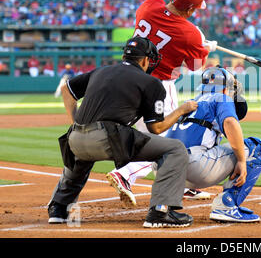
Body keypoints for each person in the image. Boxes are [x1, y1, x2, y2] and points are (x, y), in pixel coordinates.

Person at [47, 36, 197, 228]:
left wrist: (76, 123)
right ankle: (160, 211)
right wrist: (181, 110)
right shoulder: (152, 83)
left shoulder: (102, 71)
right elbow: (156, 128)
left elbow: (66, 89)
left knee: (81, 156)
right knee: (175, 149)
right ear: (144, 60)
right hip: (109, 138)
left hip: (74, 138)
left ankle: (58, 208)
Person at [106, 0, 216, 203]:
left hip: (126, 78)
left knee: (150, 137)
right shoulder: (190, 33)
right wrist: (205, 48)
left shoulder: (149, 5)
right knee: (166, 140)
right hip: (159, 86)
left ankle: (179, 184)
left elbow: (164, 24)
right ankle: (125, 174)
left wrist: (196, 40)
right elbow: (195, 66)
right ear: (190, 9)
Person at [136, 66, 261, 222]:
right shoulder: (221, 97)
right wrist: (241, 160)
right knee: (255, 147)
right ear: (225, 88)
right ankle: (227, 206)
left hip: (163, 170)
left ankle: (165, 207)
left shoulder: (192, 102)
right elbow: (231, 122)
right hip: (194, 167)